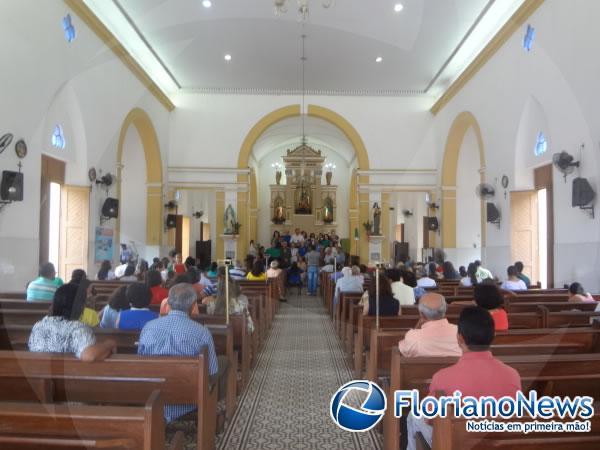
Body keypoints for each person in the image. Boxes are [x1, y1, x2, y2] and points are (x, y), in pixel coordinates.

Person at [406, 306, 521, 450]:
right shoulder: (512, 375)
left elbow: (430, 419)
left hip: (456, 444)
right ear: (494, 336)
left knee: (414, 415)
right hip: (498, 443)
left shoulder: (442, 377)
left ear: (459, 337)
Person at [138, 283, 221, 422]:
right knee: (223, 364)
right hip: (189, 397)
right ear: (193, 305)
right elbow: (212, 372)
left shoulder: (149, 327)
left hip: (152, 395)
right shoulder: (201, 332)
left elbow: (139, 362)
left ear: (169, 302)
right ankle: (210, 407)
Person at [28, 283, 116, 361]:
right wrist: (108, 344)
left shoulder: (38, 325)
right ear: (79, 307)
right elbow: (89, 356)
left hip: (39, 375)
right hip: (66, 376)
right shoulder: (77, 328)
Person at [398, 293, 461, 357]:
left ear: (422, 314)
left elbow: (402, 353)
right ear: (445, 310)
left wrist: (417, 327)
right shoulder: (461, 332)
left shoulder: (413, 337)